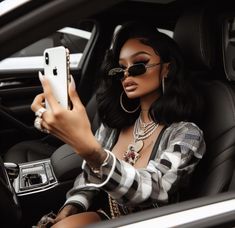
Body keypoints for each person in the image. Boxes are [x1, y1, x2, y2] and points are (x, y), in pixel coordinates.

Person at [31, 21, 206, 227]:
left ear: (166, 69)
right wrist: (72, 207)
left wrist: (93, 153)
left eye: (139, 64)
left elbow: (154, 188)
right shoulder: (114, 125)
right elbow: (89, 177)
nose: (127, 74)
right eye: (121, 68)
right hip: (109, 216)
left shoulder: (187, 134)